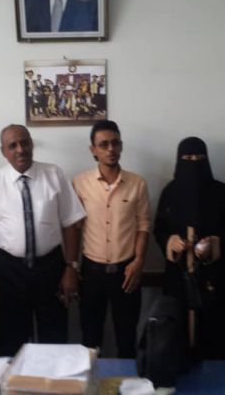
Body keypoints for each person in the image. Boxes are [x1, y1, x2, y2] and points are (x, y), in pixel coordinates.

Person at [0, 124, 85, 356]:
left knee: (54, 340)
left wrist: (70, 268)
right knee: (11, 345)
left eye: (24, 142)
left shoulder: (54, 174)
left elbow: (71, 223)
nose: (20, 149)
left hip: (50, 268)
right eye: (12, 145)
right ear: (3, 151)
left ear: (32, 144)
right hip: (8, 271)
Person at [73, 120, 151, 357]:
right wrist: (72, 266)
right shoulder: (80, 183)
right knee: (90, 338)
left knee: (126, 338)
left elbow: (143, 225)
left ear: (121, 146)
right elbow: (74, 228)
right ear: (93, 150)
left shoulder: (137, 183)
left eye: (115, 143)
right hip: (91, 272)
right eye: (104, 144)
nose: (110, 149)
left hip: (126, 271)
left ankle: (126, 380)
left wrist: (139, 261)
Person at [154, 137, 225, 360]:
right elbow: (159, 229)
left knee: (214, 337)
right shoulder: (170, 192)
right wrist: (171, 242)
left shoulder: (221, 192)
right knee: (177, 334)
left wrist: (215, 244)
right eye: (188, 158)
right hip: (177, 278)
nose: (194, 162)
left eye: (199, 157)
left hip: (214, 279)